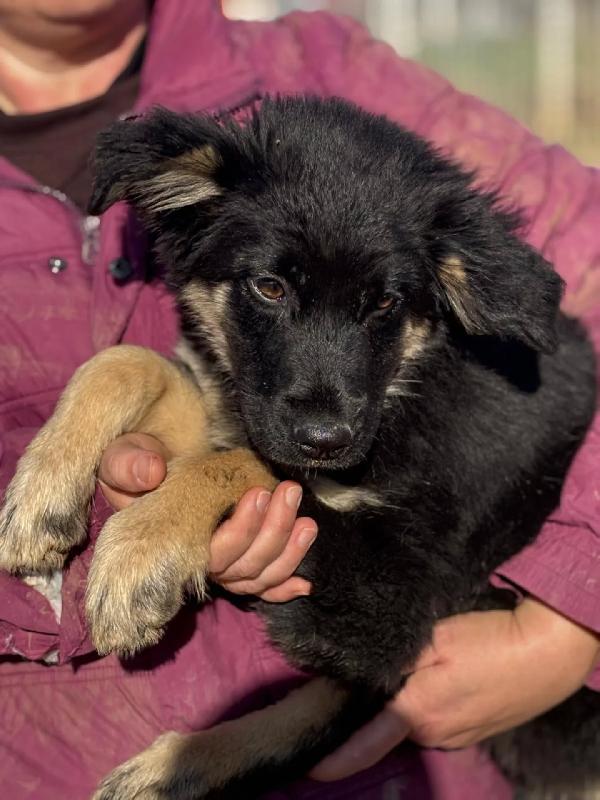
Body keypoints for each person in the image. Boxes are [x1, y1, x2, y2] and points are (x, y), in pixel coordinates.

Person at [0, 1, 598, 798]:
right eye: (271, 289)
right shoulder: (215, 181)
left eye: (382, 307)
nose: (325, 409)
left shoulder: (323, 67)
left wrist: (568, 619)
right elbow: (194, 404)